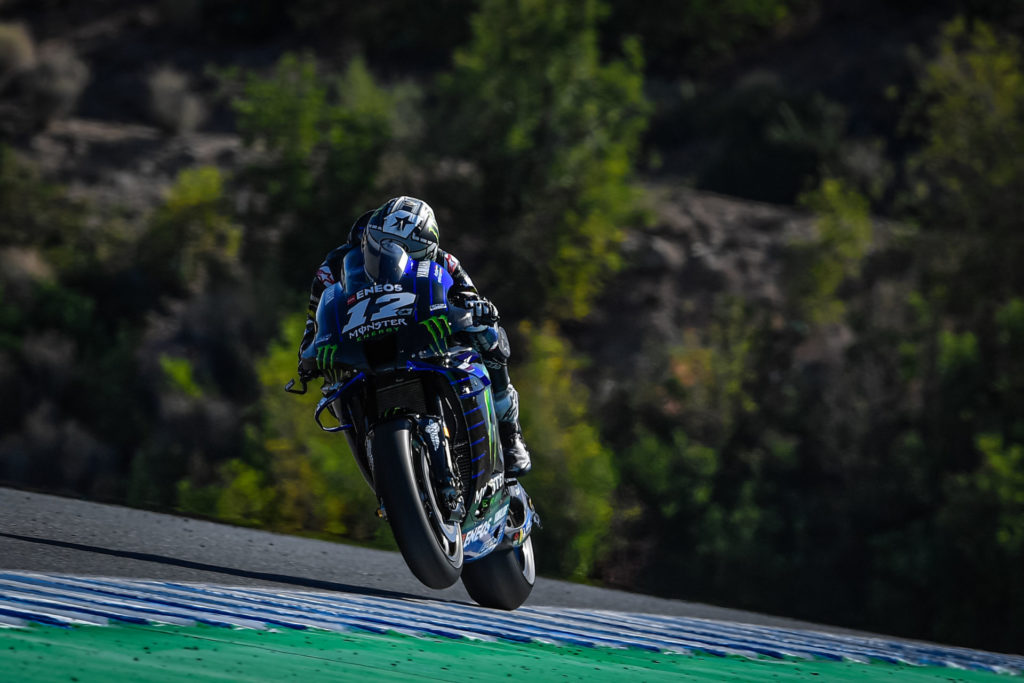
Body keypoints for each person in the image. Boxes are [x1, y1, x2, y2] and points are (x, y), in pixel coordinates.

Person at [297, 196, 532, 478]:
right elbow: (314, 321)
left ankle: (510, 435)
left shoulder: (445, 260)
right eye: (387, 245)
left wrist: (477, 312)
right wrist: (308, 355)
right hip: (361, 347)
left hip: (423, 338)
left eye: (415, 251)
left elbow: (471, 298)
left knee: (491, 339)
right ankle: (381, 468)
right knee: (334, 390)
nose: (399, 255)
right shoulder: (333, 267)